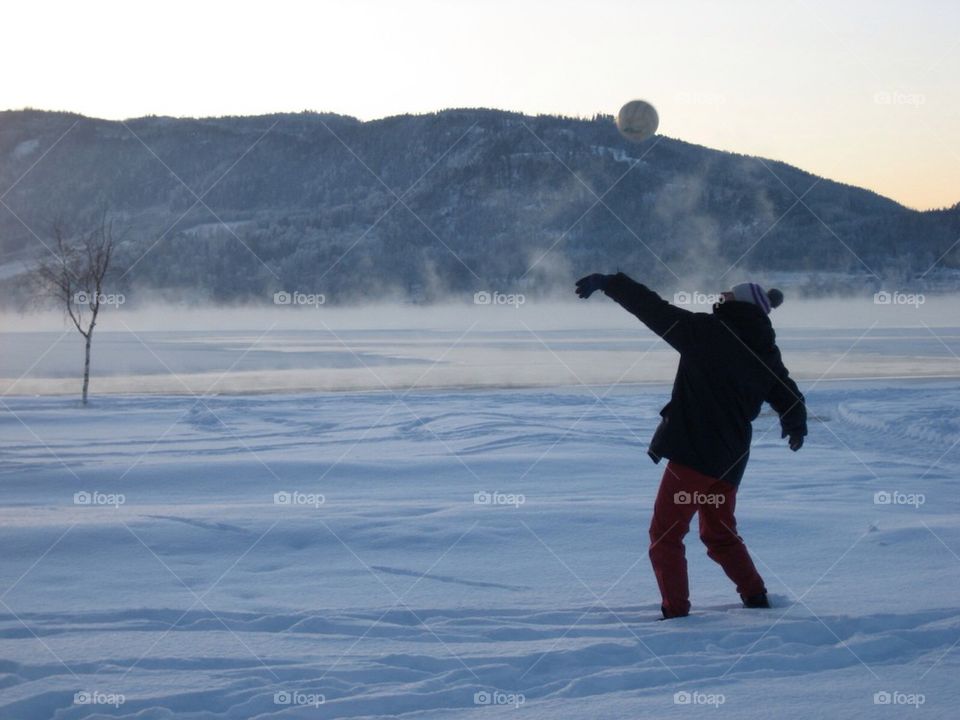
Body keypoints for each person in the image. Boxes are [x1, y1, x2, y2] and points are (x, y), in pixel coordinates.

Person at [575, 273, 807, 619]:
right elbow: (787, 395)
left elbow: (652, 309)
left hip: (696, 457)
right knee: (719, 532)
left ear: (739, 303)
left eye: (728, 294)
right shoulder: (765, 351)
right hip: (731, 460)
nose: (721, 295)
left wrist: (610, 283)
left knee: (665, 534)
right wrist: (795, 426)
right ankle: (756, 596)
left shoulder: (706, 332)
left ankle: (676, 613)